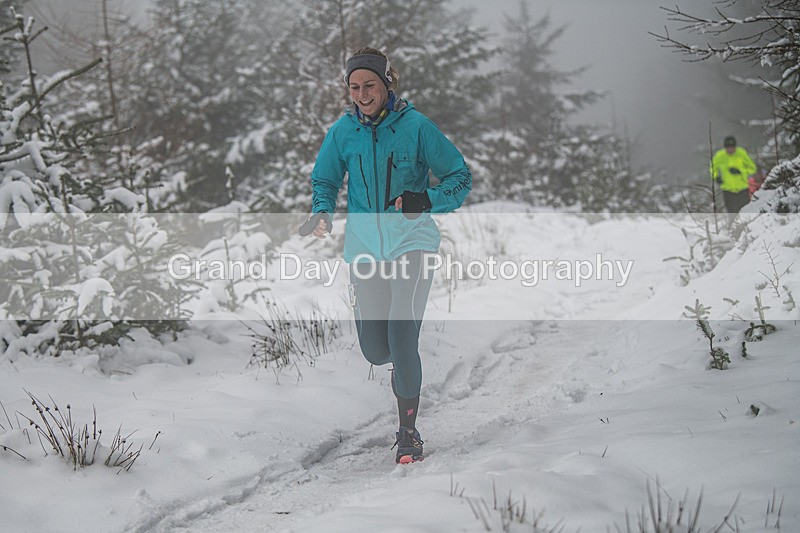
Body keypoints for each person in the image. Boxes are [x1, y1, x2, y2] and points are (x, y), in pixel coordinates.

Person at [301, 47, 472, 464]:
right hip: (364, 249)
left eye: (369, 85)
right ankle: (404, 366)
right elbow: (324, 179)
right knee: (376, 351)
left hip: (412, 242)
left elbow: (459, 176)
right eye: (354, 86)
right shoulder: (342, 132)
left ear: (386, 84)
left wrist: (423, 200)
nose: (362, 94)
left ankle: (408, 433)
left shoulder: (415, 126)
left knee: (401, 335)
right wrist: (321, 213)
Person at [710, 135, 757, 214]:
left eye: (732, 147)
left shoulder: (741, 153)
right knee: (732, 213)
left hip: (742, 189)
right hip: (727, 189)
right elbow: (712, 168)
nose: (730, 150)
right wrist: (716, 177)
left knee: (745, 212)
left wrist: (740, 171)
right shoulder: (719, 156)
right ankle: (733, 226)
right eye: (728, 148)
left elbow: (752, 168)